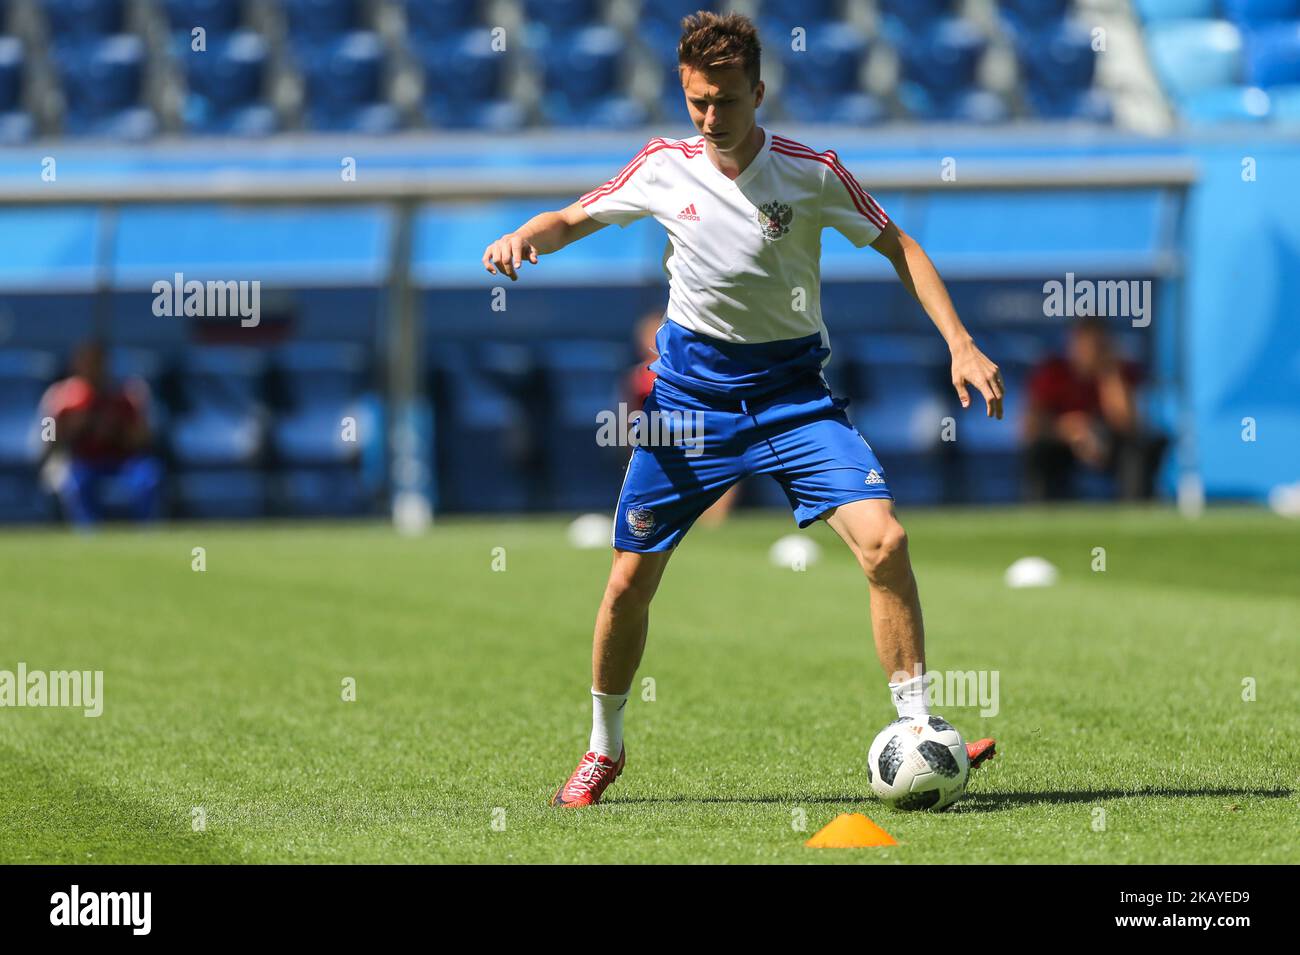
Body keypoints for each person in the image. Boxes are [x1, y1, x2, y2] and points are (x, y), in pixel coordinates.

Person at [482, 13, 1001, 806]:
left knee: (885, 541)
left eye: (725, 100)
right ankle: (603, 747)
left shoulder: (812, 172)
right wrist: (525, 234)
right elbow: (573, 218)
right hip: (689, 402)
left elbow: (899, 244)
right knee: (628, 582)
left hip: (795, 397)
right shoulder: (663, 166)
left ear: (759, 92)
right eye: (697, 101)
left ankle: (920, 726)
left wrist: (961, 343)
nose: (711, 117)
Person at [1024, 317, 1167, 501]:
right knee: (1039, 453)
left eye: (1097, 344)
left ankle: (1135, 513)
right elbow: (1031, 426)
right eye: (1084, 344)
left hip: (1108, 441)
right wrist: (1070, 430)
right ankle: (1041, 516)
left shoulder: (1119, 372)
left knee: (1137, 451)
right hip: (1063, 443)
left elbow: (1128, 424)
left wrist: (1109, 373)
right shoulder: (1053, 372)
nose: (1090, 351)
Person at [625, 310, 739, 528]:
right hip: (661, 442)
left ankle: (714, 526)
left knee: (725, 462)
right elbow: (628, 415)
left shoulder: (696, 369)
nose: (653, 341)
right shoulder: (639, 377)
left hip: (701, 435)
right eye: (648, 336)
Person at [40, 340, 161, 526]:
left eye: (98, 362)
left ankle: (145, 530)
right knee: (75, 481)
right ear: (77, 363)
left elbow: (145, 438)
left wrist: (118, 428)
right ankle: (88, 532)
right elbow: (46, 438)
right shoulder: (60, 396)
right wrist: (72, 428)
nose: (93, 368)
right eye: (88, 361)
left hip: (121, 460)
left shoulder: (127, 394)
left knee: (148, 475)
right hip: (82, 461)